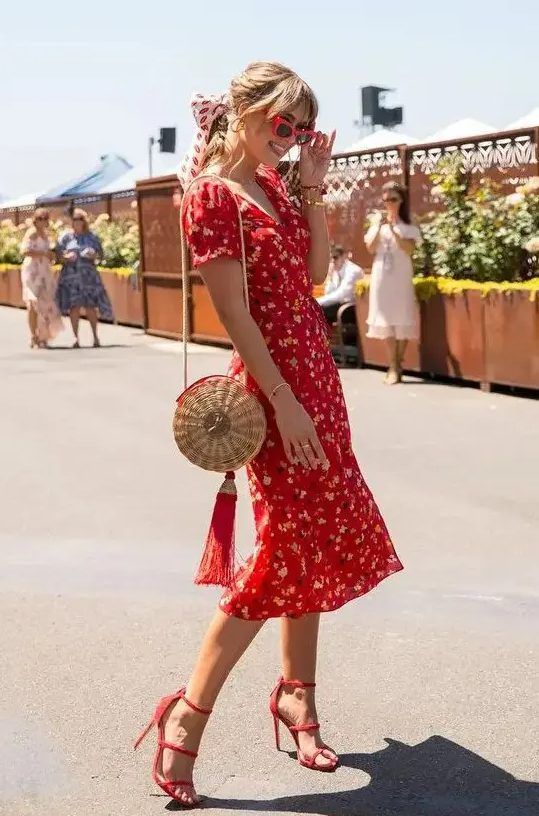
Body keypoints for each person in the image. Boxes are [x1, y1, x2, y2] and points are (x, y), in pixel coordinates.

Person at [134, 62, 403, 808]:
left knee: (310, 542)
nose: (287, 139)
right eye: (280, 124)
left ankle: (297, 696)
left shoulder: (278, 186)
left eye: (300, 128)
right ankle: (186, 713)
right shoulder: (214, 196)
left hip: (315, 379)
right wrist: (281, 402)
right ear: (242, 112)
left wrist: (311, 187)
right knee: (286, 546)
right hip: (272, 388)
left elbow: (313, 279)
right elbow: (236, 314)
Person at [365, 182, 421, 384]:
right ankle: (392, 365)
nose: (389, 203)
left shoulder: (409, 226)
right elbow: (370, 248)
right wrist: (380, 226)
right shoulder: (377, 224)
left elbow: (409, 249)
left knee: (402, 316)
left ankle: (398, 363)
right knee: (385, 318)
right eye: (386, 199)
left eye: (393, 199)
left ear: (401, 201)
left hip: (401, 275)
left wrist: (394, 229)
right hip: (382, 276)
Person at [55, 208, 113, 348]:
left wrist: (93, 255)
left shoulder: (92, 237)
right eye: (75, 219)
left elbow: (101, 254)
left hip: (89, 277)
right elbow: (57, 256)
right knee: (74, 307)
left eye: (80, 219)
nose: (77, 222)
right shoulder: (66, 237)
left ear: (84, 221)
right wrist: (65, 257)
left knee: (90, 307)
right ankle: (76, 338)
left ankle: (95, 337)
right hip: (71, 277)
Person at [19, 208, 63, 348]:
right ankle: (33, 335)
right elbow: (24, 251)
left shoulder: (46, 234)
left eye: (45, 218)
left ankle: (43, 336)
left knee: (45, 304)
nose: (43, 221)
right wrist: (43, 253)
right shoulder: (31, 233)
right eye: (40, 218)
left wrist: (51, 256)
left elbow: (49, 253)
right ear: (35, 220)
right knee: (32, 303)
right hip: (32, 271)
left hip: (44, 271)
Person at [316, 244, 363, 324]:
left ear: (344, 256)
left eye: (335, 257)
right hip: (340, 305)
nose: (333, 261)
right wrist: (330, 278)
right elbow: (329, 293)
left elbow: (342, 294)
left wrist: (319, 301)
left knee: (321, 310)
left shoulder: (352, 271)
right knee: (319, 310)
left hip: (351, 307)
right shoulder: (336, 271)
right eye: (330, 259)